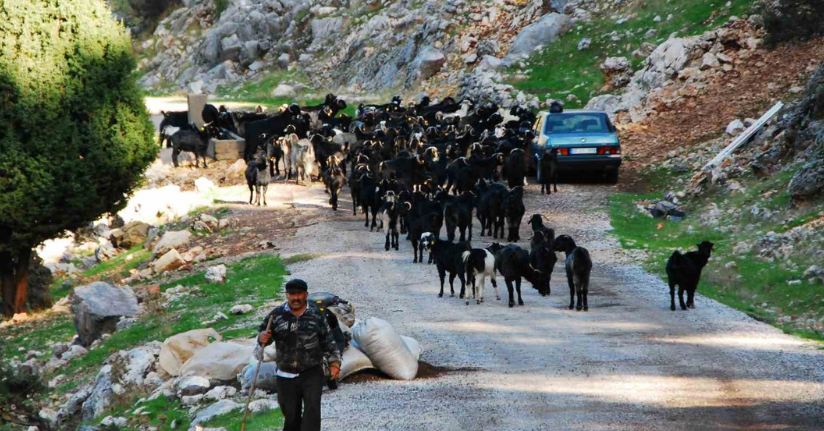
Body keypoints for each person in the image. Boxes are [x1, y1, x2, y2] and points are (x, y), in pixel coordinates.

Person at [258, 279, 342, 431]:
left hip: (311, 372)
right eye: (292, 294)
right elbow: (264, 336)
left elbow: (328, 341)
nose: (295, 298)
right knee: (291, 417)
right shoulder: (276, 315)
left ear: (306, 294)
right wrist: (262, 337)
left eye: (299, 294)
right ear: (287, 295)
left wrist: (334, 364)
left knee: (312, 412)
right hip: (285, 375)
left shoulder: (316, 314)